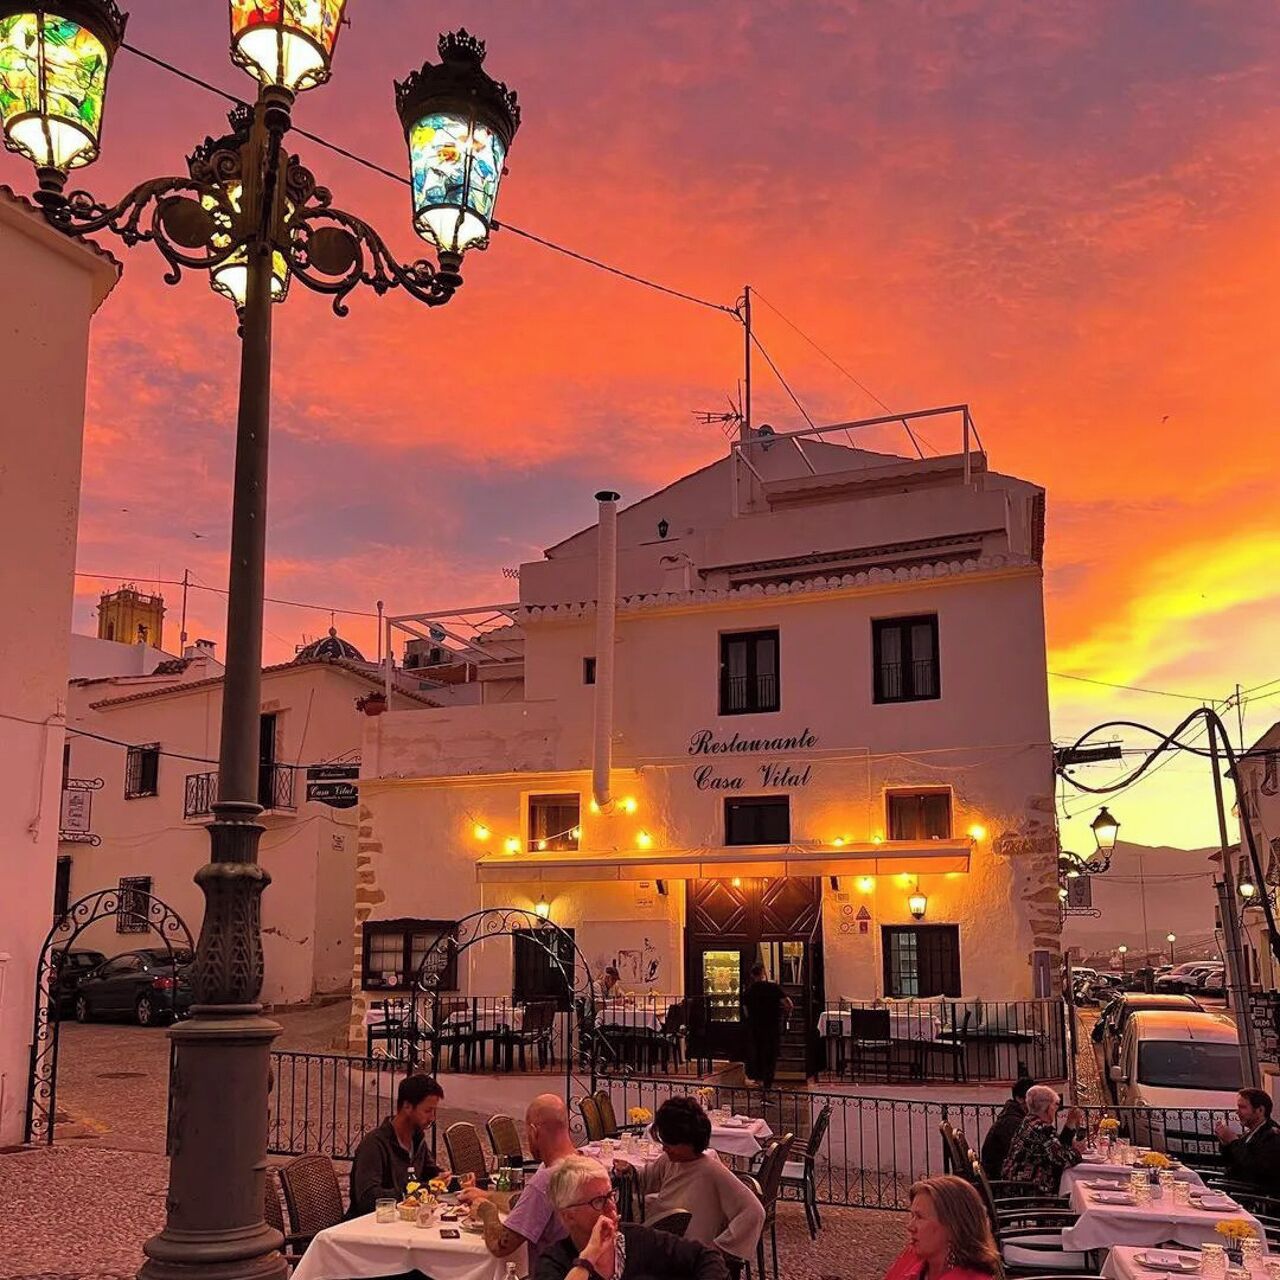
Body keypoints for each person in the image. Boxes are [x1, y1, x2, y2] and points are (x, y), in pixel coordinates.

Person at [614, 1097, 762, 1265]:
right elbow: (646, 1180)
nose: (664, 1148)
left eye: (670, 1143)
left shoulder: (712, 1171)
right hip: (661, 1242)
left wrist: (718, 1248)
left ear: (689, 1141)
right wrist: (628, 1171)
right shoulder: (670, 1160)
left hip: (686, 1254)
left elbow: (754, 1211)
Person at [535, 1155, 729, 1280]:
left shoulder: (636, 1239)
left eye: (611, 1196)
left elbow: (706, 1257)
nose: (611, 1207)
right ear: (568, 1216)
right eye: (598, 1201)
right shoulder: (554, 1263)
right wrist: (589, 1257)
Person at [461, 1094, 575, 1273]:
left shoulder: (545, 1181)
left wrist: (487, 1210)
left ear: (533, 1131)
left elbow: (501, 1246)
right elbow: (526, 1204)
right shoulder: (583, 1164)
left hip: (551, 1273)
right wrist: (487, 1195)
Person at [348, 1074, 444, 1217]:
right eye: (427, 1111)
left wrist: (453, 1181)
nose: (432, 1118)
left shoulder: (417, 1140)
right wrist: (415, 1192)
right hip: (371, 1226)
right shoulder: (374, 1145)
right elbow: (368, 1199)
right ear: (407, 1106)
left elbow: (431, 1174)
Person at [883, 1176, 1001, 1280]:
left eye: (919, 1217)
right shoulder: (911, 1257)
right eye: (912, 1216)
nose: (910, 1227)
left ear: (952, 1227)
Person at [1001, 1084, 1084, 1195]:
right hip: (1030, 1194)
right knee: (1076, 1196)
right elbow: (1063, 1159)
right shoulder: (1042, 1128)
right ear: (1048, 1108)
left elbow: (1055, 1148)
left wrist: (1069, 1126)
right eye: (1055, 1105)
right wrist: (1077, 1151)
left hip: (1014, 1188)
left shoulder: (1027, 1122)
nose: (1056, 1109)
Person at [1215, 1088, 1280, 1189]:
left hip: (1252, 1196)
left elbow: (1254, 1167)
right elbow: (1231, 1162)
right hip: (1236, 1188)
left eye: (1243, 1107)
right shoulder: (1251, 1131)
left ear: (1260, 1110)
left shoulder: (1272, 1135)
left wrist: (1233, 1141)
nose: (1237, 1112)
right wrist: (1225, 1143)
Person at [742, 962, 791, 1090]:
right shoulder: (773, 988)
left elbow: (746, 1012)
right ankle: (768, 1082)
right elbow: (788, 1004)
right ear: (763, 973)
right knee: (771, 1054)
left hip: (756, 1027)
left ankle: (758, 1079)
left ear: (752, 975)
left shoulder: (749, 991)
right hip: (772, 1026)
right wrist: (785, 1016)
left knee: (757, 1053)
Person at [979, 1077, 1034, 1180]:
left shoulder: (1012, 1118)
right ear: (1020, 1098)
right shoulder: (1012, 1123)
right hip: (1002, 1181)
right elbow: (1022, 1155)